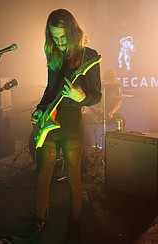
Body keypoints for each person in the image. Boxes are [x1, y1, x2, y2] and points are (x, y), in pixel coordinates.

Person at [11, 9, 102, 243]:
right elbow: (49, 91)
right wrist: (40, 108)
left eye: (63, 37)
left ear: (72, 32)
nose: (59, 42)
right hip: (49, 123)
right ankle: (38, 222)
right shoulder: (54, 56)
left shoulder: (89, 56)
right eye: (54, 37)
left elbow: (97, 95)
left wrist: (81, 96)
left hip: (72, 124)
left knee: (73, 176)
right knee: (43, 174)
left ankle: (75, 223)